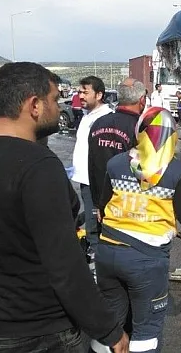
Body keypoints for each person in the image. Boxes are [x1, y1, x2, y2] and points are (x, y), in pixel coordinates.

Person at [0, 62, 129, 353]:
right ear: (34, 105)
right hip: (39, 333)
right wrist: (110, 330)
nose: (57, 105)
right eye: (53, 99)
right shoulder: (38, 166)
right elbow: (65, 265)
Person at [95, 107, 181, 353]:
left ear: (139, 132)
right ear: (170, 137)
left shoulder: (116, 163)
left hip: (108, 253)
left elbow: (102, 206)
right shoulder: (176, 171)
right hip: (145, 261)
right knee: (146, 331)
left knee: (111, 326)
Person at [87, 77, 147, 249]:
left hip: (102, 206)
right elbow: (142, 171)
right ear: (141, 100)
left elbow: (92, 165)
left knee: (105, 250)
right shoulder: (139, 128)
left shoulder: (99, 123)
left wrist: (98, 203)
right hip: (128, 209)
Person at [71, 76, 113, 252]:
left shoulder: (105, 118)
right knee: (90, 217)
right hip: (84, 177)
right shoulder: (88, 115)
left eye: (85, 92)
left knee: (94, 220)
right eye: (79, 91)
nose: (80, 96)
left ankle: (97, 256)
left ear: (99, 95)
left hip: (95, 180)